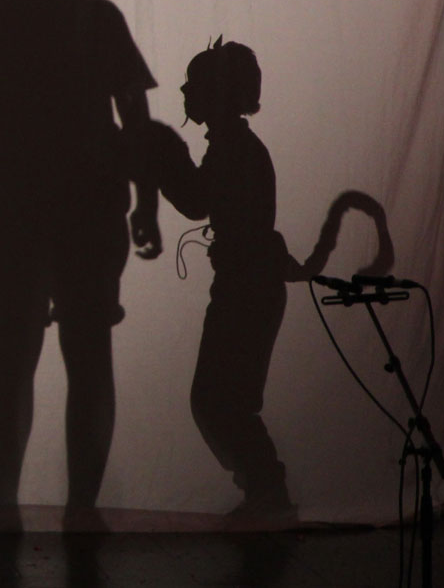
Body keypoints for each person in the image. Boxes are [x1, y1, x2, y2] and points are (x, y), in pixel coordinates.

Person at [0, 0, 162, 531]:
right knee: (87, 355)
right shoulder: (98, 17)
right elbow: (137, 118)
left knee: (16, 353)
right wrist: (147, 201)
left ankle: (6, 496)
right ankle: (78, 506)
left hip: (18, 207)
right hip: (88, 206)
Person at [140, 38, 297, 525]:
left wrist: (164, 157)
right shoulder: (235, 146)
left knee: (219, 401)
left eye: (195, 83)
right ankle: (265, 493)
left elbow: (195, 200)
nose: (185, 91)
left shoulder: (234, 149)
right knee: (225, 400)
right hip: (246, 288)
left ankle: (267, 494)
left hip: (245, 291)